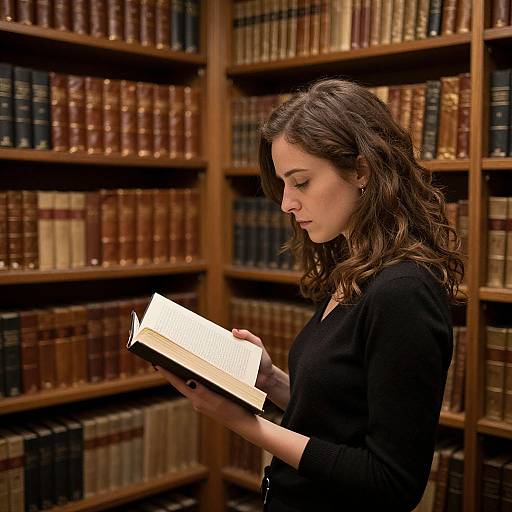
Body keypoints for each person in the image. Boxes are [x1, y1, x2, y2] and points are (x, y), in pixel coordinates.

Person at [156, 78, 465, 511]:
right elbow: (344, 416)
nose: (286, 203)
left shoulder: (403, 292)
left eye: (300, 182)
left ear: (362, 170)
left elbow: (392, 481)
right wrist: (271, 382)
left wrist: (245, 424)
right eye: (284, 183)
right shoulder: (356, 270)